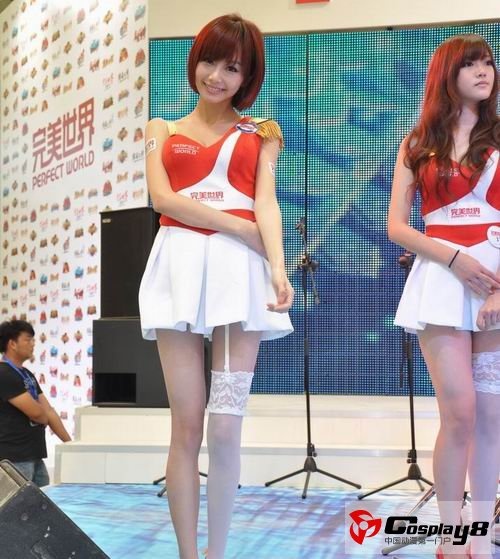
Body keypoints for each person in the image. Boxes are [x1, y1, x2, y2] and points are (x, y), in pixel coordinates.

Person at [138, 14, 294, 559]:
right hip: (179, 266)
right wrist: (239, 227)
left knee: (225, 428)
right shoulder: (161, 129)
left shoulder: (261, 132)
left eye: (233, 67)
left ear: (247, 76)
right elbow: (163, 200)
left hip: (238, 275)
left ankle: (217, 552)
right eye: (210, 61)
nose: (217, 76)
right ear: (194, 61)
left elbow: (266, 202)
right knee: (186, 426)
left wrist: (277, 265)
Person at [388, 34, 500, 559]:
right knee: (459, 413)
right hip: (439, 283)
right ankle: (451, 537)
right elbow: (396, 227)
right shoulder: (416, 144)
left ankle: (481, 534)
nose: (484, 71)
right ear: (446, 73)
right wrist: (453, 259)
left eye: (489, 63)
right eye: (471, 64)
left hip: (495, 285)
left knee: (491, 417)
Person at [0, 320, 72, 487]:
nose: (33, 344)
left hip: (34, 454)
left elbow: (49, 411)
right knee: (18, 502)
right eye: (28, 339)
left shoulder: (26, 374)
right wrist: (43, 416)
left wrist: (70, 445)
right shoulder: (4, 374)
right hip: (14, 457)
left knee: (42, 499)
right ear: (12, 344)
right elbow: (38, 414)